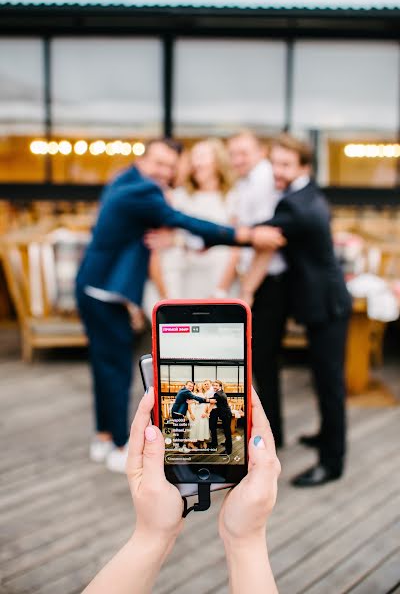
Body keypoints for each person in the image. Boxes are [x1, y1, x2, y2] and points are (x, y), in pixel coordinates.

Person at [76, 138, 279, 473]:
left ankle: (103, 437)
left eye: (171, 165)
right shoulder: (144, 190)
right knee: (114, 368)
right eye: (159, 162)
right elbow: (187, 222)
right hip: (105, 288)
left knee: (105, 365)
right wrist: (245, 236)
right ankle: (115, 443)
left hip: (98, 284)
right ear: (143, 158)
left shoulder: (124, 180)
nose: (165, 171)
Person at [83, 386, 280, 594]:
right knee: (190, 431)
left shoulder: (205, 394)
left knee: (196, 431)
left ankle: (197, 446)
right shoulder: (187, 393)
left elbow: (206, 401)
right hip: (185, 414)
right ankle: (194, 446)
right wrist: (246, 538)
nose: (199, 388)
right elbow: (197, 399)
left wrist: (152, 534)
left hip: (196, 414)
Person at [250, 133, 352, 486]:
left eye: (286, 165)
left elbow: (256, 234)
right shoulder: (307, 194)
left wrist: (211, 233)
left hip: (327, 305)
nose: (278, 171)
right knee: (324, 379)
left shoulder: (293, 204)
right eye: (274, 163)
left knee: (329, 384)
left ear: (304, 167)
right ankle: (326, 435)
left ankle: (332, 461)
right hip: (323, 301)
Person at [216, 130, 290, 449]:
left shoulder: (262, 182)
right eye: (232, 154)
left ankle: (270, 436)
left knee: (263, 360)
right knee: (259, 360)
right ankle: (267, 432)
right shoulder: (248, 182)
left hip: (268, 284)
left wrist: (247, 289)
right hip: (259, 282)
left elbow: (266, 242)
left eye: (243, 152)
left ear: (260, 151)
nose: (236, 160)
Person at [150, 137, 236, 301]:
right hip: (188, 278)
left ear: (218, 161)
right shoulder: (179, 197)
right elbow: (161, 242)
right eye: (193, 157)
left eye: (202, 156)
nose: (196, 163)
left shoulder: (232, 197)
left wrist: (221, 289)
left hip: (219, 277)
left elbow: (236, 246)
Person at [209, 380, 233, 455]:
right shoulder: (221, 392)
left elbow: (209, 400)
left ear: (220, 386)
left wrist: (197, 400)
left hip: (226, 414)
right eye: (214, 385)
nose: (214, 387)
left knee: (227, 432)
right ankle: (226, 443)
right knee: (226, 431)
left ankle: (228, 450)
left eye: (216, 385)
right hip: (225, 414)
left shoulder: (218, 394)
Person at [187, 383, 211, 449]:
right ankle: (190, 443)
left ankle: (202, 442)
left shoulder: (205, 394)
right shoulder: (194, 394)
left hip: (203, 413)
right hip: (197, 413)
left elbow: (206, 405)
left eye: (200, 386)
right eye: (198, 386)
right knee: (195, 428)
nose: (199, 387)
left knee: (203, 427)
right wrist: (191, 414)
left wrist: (205, 412)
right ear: (196, 387)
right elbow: (189, 404)